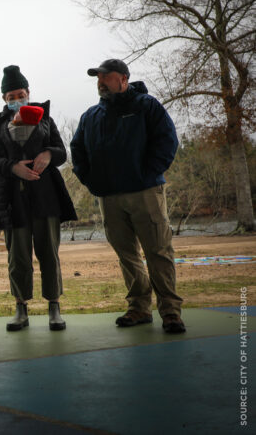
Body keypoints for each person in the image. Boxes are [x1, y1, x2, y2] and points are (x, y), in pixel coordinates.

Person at [70, 59, 185, 334]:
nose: (100, 81)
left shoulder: (146, 106)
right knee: (127, 255)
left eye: (105, 76)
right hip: (109, 197)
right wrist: (92, 181)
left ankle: (170, 311)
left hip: (145, 192)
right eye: (97, 77)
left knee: (158, 251)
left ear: (123, 79)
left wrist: (147, 174)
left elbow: (167, 141)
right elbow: (78, 151)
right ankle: (139, 308)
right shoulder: (90, 116)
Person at [0, 65, 77, 332]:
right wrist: (13, 167)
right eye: (11, 96)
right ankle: (20, 308)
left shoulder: (45, 119)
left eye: (20, 94)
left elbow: (61, 152)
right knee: (18, 258)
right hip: (12, 200)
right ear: (4, 99)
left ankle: (54, 308)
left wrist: (48, 154)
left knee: (49, 254)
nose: (16, 99)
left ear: (28, 93)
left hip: (45, 198)